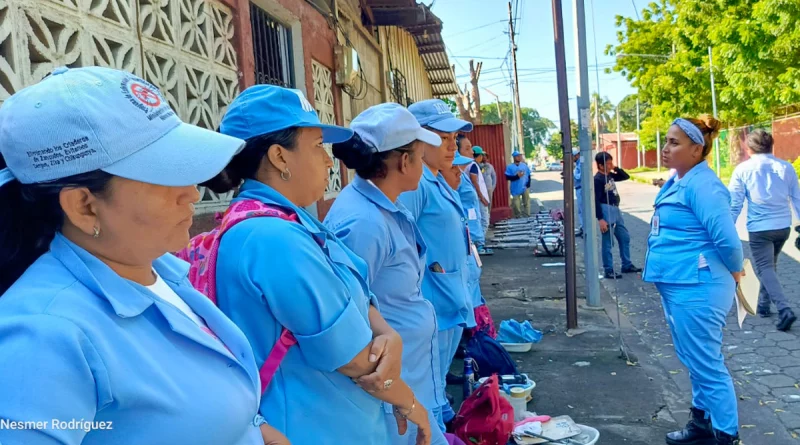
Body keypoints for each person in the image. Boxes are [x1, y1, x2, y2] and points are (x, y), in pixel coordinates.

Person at [0, 66, 287, 444]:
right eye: (164, 174)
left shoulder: (160, 270)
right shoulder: (43, 337)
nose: (193, 192)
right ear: (84, 206)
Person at [203, 86, 431, 445]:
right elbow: (353, 357)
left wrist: (388, 332)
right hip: (310, 428)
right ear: (280, 157)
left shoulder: (292, 222)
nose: (329, 161)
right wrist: (411, 404)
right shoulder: (272, 238)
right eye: (316, 147)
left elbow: (353, 284)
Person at [323, 103, 448, 445]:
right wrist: (397, 395)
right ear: (404, 161)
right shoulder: (363, 224)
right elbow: (349, 313)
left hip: (410, 382)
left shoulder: (385, 209)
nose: (423, 164)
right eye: (421, 157)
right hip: (390, 399)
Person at [644, 116, 743, 445]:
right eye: (666, 141)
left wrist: (738, 271)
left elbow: (728, 241)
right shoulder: (680, 179)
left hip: (698, 286)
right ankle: (701, 425)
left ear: (697, 149)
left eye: (674, 142)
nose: (665, 148)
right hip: (680, 284)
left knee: (707, 363)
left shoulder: (704, 185)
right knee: (695, 359)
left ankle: (726, 435)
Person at [398, 99, 476, 429]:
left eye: (453, 138)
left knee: (439, 379)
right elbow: (402, 242)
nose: (451, 146)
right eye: (443, 138)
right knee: (429, 386)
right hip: (433, 298)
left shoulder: (438, 179)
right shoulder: (416, 186)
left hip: (450, 295)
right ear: (419, 140)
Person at [729, 129, 798, 331]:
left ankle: (785, 309)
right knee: (770, 266)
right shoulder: (786, 167)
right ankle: (764, 305)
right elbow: (797, 198)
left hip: (760, 229)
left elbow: (735, 204)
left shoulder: (743, 170)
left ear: (748, 148)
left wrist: (727, 227)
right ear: (771, 146)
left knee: (765, 268)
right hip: (782, 226)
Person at [451, 155, 497, 340]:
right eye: (467, 149)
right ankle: (469, 333)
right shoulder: (447, 183)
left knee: (473, 283)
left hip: (471, 238)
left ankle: (475, 330)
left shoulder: (461, 176)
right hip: (463, 242)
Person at [594, 151, 642, 279]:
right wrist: (601, 219)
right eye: (607, 164)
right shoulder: (597, 180)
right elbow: (596, 201)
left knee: (624, 237)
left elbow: (625, 176)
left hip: (616, 210)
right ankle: (608, 269)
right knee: (608, 242)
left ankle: (626, 264)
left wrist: (615, 168)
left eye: (611, 163)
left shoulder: (610, 176)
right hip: (606, 210)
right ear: (600, 165)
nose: (610, 166)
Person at [456, 135, 492, 254]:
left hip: (471, 239)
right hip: (467, 239)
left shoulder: (463, 172)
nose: (471, 152)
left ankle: (478, 244)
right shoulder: (470, 168)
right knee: (484, 221)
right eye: (467, 149)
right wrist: (482, 197)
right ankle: (479, 245)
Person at [475, 147, 496, 235]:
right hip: (480, 191)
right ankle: (482, 224)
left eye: (485, 156)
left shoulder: (489, 167)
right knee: (481, 207)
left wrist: (492, 187)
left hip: (489, 189)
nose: (484, 158)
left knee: (489, 205)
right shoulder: (476, 166)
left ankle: (488, 222)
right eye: (482, 155)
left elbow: (494, 177)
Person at [506, 151, 531, 218]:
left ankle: (527, 215)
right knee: (516, 204)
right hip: (515, 188)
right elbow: (507, 177)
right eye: (517, 156)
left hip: (524, 187)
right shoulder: (510, 167)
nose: (519, 157)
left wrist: (528, 185)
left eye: (520, 156)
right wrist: (517, 176)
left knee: (526, 202)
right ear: (514, 157)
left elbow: (528, 175)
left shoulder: (524, 165)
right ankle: (518, 215)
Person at [573, 148, 584, 237]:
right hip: (578, 188)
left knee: (582, 210)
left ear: (576, 155)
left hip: (581, 188)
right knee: (580, 210)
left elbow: (580, 176)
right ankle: (582, 227)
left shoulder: (581, 163)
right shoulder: (578, 164)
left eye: (573, 156)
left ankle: (584, 228)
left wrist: (573, 173)